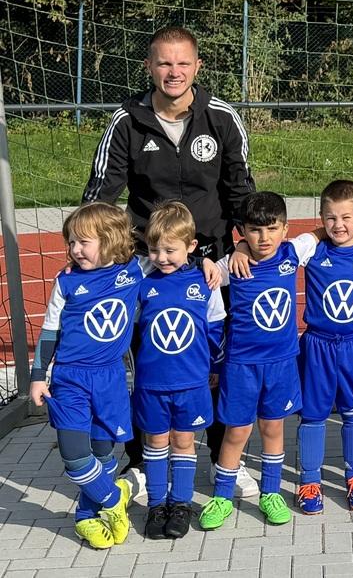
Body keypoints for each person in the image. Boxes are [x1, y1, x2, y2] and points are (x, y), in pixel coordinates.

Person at [82, 25, 257, 498]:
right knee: (151, 361)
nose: (173, 72)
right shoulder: (126, 121)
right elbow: (101, 194)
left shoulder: (221, 118)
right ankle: (142, 461)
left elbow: (242, 192)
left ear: (198, 67)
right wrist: (93, 252)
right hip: (149, 263)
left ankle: (226, 461)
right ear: (149, 67)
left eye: (183, 63)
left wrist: (243, 245)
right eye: (164, 63)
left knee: (219, 360)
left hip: (210, 263)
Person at [29, 203, 145, 549]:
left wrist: (216, 264)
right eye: (71, 243)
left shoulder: (134, 272)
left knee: (104, 451)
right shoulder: (66, 282)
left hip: (111, 379)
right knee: (76, 456)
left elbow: (175, 253)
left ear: (109, 241)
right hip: (69, 380)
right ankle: (114, 499)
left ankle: (85, 517)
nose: (74, 250)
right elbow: (50, 332)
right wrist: (38, 377)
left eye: (83, 242)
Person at [199, 192, 314, 530]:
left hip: (281, 363)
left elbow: (325, 232)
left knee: (273, 428)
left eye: (272, 229)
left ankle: (270, 492)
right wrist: (211, 260)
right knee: (237, 432)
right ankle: (222, 496)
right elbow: (199, 276)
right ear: (242, 232)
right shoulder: (234, 265)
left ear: (285, 229)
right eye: (254, 231)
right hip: (241, 365)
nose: (264, 238)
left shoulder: (293, 253)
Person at [289, 180, 353, 514]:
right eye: (330, 218)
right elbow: (286, 246)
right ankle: (309, 481)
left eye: (347, 217)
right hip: (317, 347)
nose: (339, 225)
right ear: (321, 218)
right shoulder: (312, 249)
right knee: (314, 416)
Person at [134, 202, 226, 539]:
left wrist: (216, 365)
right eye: (155, 249)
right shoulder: (141, 280)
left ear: (190, 246)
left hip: (191, 382)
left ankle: (181, 503)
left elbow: (216, 328)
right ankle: (157, 505)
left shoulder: (205, 282)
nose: (162, 257)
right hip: (152, 383)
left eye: (170, 250)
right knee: (157, 441)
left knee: (184, 441)